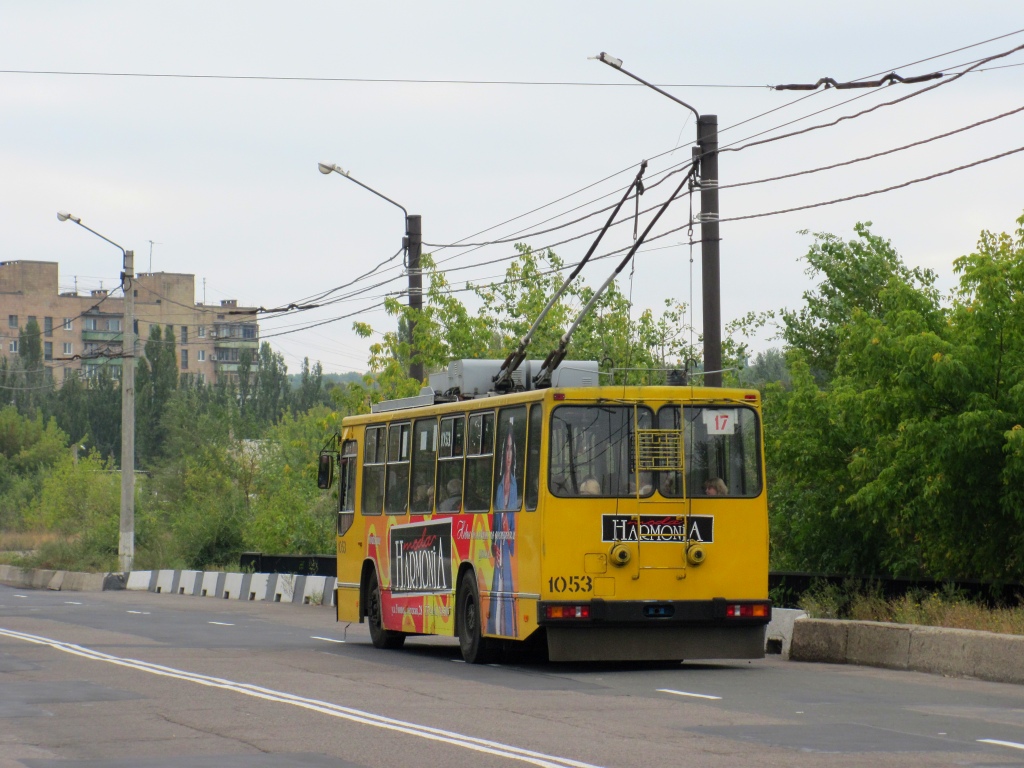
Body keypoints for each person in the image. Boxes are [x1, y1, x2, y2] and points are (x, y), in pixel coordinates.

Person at [489, 424, 518, 636]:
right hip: (499, 550)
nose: (508, 454)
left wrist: (509, 537)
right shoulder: (498, 486)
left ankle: (506, 629)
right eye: (506, 449)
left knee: (506, 596)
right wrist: (494, 546)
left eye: (511, 449)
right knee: (495, 596)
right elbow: (494, 525)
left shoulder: (516, 486)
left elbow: (515, 527)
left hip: (508, 552)